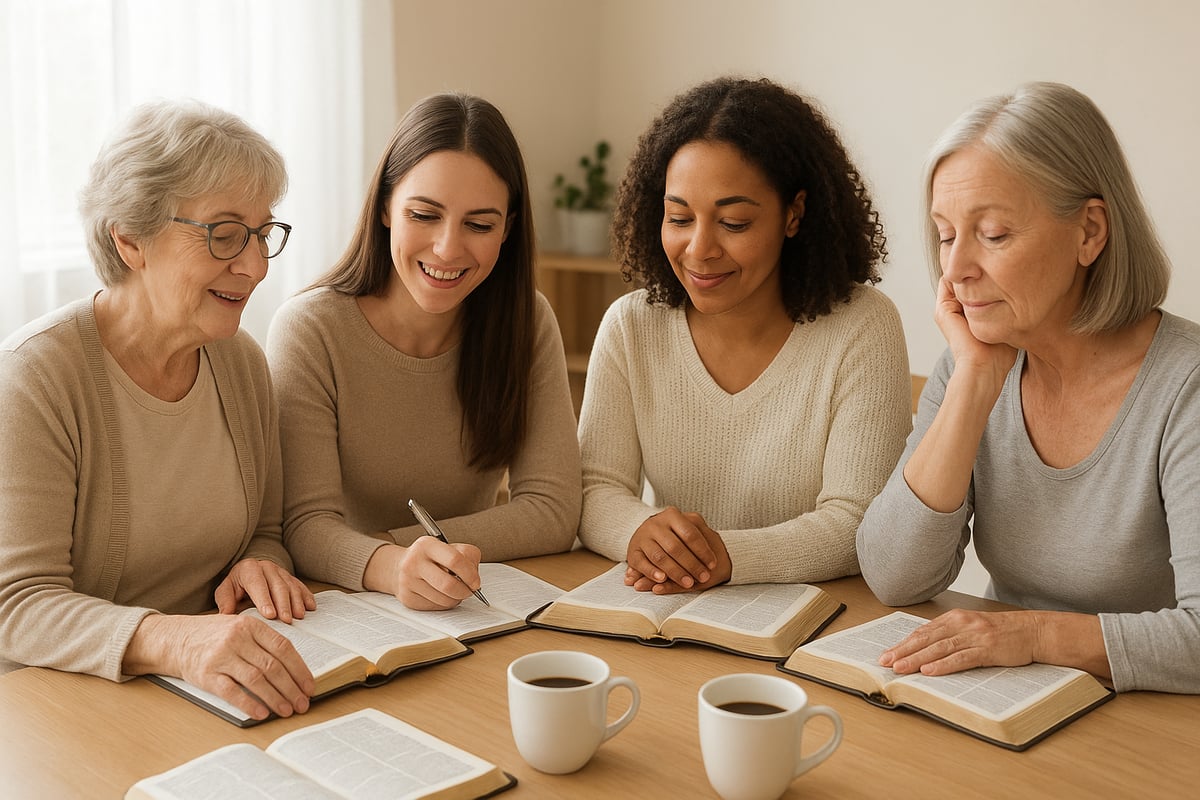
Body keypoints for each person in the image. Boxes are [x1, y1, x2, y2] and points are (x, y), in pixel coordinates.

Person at [857, 81, 1200, 694]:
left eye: (992, 234)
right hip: (1014, 701)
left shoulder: (1186, 388)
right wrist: (975, 381)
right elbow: (893, 577)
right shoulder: (972, 363)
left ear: (1089, 232)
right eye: (944, 234)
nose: (955, 269)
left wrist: (1036, 635)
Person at [0, 100, 316, 721]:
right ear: (128, 238)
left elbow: (267, 532)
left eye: (261, 233)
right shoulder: (34, 378)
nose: (253, 266)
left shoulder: (242, 362)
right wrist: (173, 639)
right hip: (62, 709)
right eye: (224, 234)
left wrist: (261, 565)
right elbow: (18, 604)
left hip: (210, 693)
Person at [577, 76, 912, 594]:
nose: (699, 249)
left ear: (794, 214)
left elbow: (858, 520)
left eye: (733, 222)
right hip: (669, 609)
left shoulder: (863, 327)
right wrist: (638, 532)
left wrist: (726, 557)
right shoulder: (631, 327)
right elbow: (596, 488)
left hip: (814, 621)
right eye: (679, 218)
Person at [267, 93, 580, 611]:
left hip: (465, 603)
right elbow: (305, 527)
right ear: (387, 206)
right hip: (344, 606)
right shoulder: (310, 331)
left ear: (508, 228)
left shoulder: (527, 322)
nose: (447, 248)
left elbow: (552, 510)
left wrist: (406, 552)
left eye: (479, 225)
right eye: (424, 214)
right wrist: (393, 566)